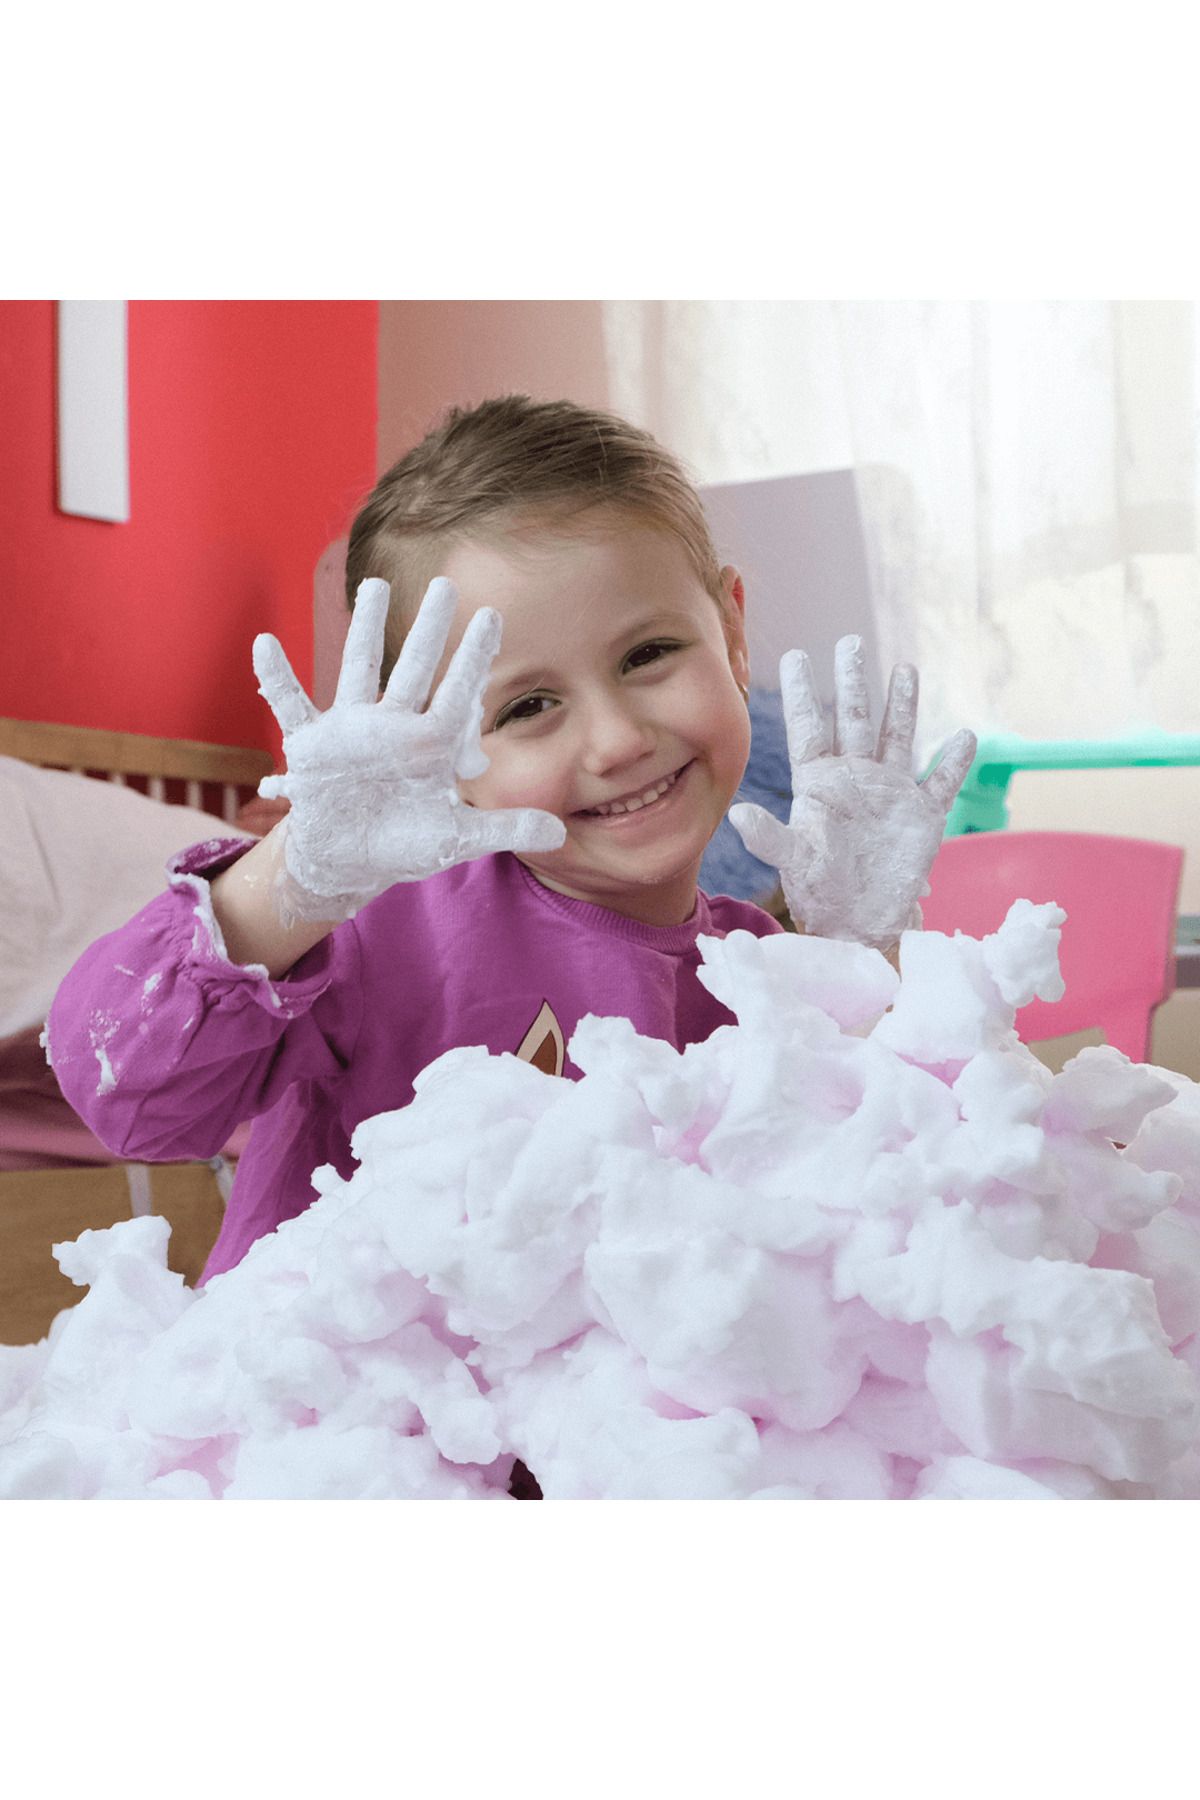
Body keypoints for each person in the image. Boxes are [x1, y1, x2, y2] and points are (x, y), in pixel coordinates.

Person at [47, 396, 975, 1293]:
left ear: (731, 633)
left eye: (648, 654)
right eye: (528, 707)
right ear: (436, 743)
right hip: (343, 1429)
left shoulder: (772, 984)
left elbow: (888, 1218)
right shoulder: (380, 936)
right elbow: (125, 1097)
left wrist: (864, 956)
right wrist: (296, 881)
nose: (616, 740)